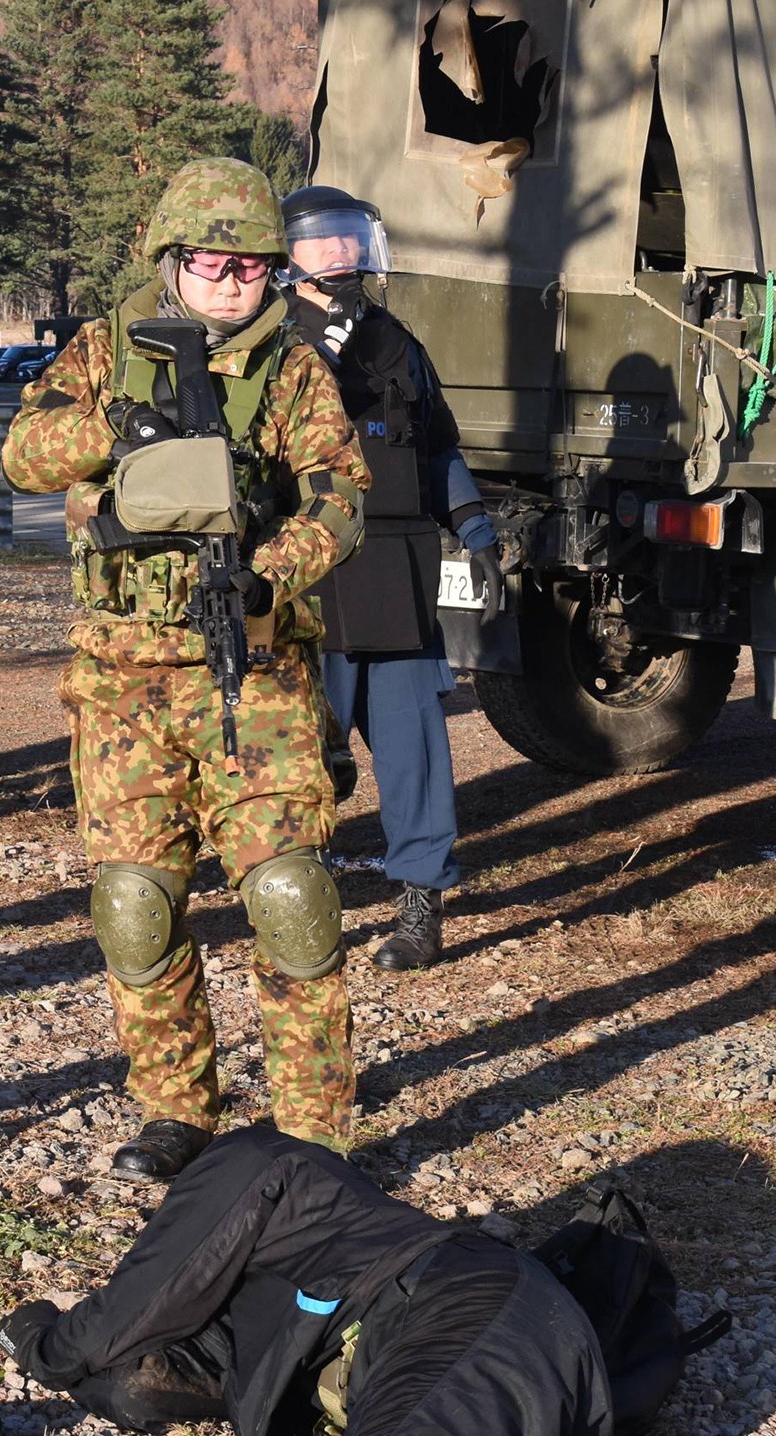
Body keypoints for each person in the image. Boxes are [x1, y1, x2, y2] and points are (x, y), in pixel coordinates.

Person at [3, 157, 370, 1181]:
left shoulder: (294, 368)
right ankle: (176, 1110)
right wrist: (114, 423)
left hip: (253, 675)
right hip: (122, 680)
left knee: (291, 898)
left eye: (252, 264)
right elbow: (23, 455)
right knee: (136, 905)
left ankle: (313, 1131)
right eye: (211, 261)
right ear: (171, 256)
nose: (230, 281)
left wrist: (270, 575)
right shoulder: (101, 350)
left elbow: (342, 495)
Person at [0, 1124, 615, 1436]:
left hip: (457, 1308)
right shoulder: (301, 1244)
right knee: (127, 1386)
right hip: (419, 1334)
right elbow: (146, 1352)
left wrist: (37, 1339)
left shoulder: (257, 1159)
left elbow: (138, 1301)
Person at [279, 186, 505, 973]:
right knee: (305, 757)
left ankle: (421, 905)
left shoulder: (396, 341)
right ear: (287, 256)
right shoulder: (268, 346)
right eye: (319, 242)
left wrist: (473, 525)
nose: (339, 255)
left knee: (416, 754)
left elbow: (436, 446)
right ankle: (301, 901)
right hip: (307, 586)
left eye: (348, 239)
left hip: (398, 576)